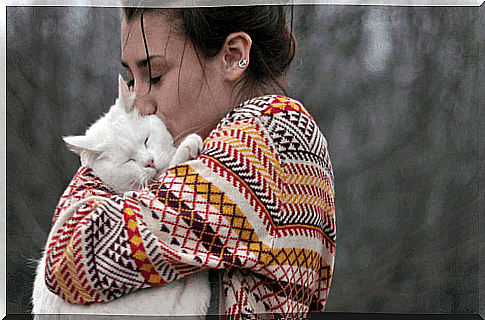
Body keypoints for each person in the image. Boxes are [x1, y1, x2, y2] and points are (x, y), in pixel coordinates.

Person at [43, 5, 336, 318]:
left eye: (154, 76)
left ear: (232, 56)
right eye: (131, 80)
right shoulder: (240, 146)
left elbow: (68, 256)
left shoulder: (273, 135)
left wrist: (102, 155)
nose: (140, 105)